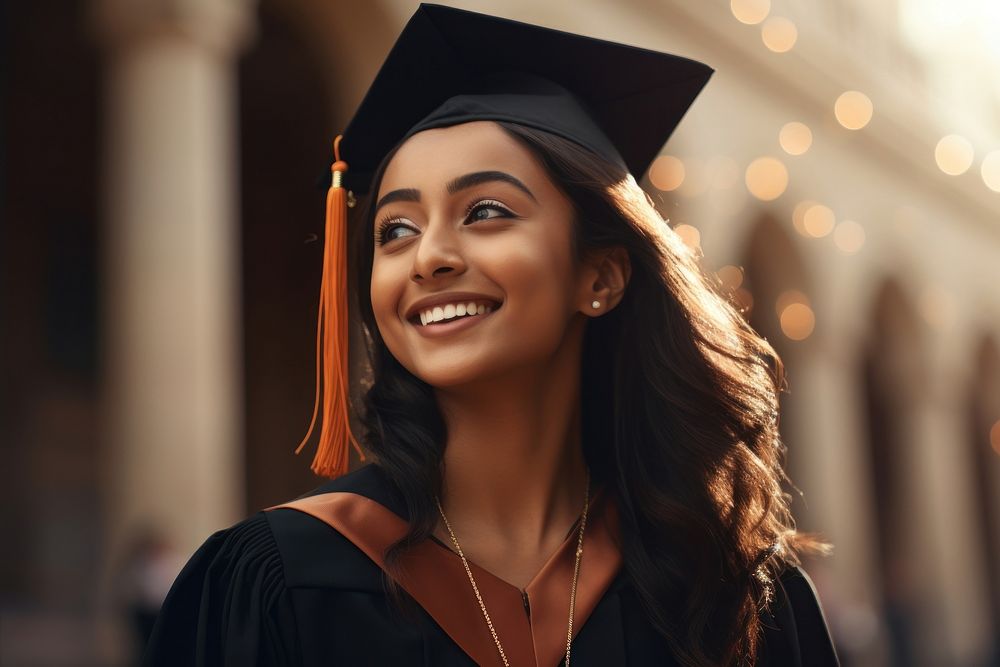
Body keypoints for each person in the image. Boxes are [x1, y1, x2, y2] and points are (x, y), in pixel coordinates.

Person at [142, 4, 839, 666]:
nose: (430, 256)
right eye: (396, 229)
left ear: (600, 276)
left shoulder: (739, 600)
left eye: (484, 210)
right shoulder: (270, 582)